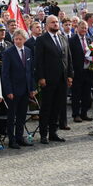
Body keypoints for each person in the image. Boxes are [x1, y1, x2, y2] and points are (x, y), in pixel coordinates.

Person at [33, 15, 73, 144]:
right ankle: (44, 134)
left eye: (57, 22)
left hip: (62, 79)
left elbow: (68, 57)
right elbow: (38, 61)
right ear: (47, 25)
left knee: (58, 106)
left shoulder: (62, 38)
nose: (56, 24)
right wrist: (41, 77)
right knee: (47, 107)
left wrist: (70, 75)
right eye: (53, 22)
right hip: (48, 79)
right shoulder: (41, 40)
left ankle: (53, 132)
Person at [1, 30, 35, 149]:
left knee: (22, 115)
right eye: (16, 39)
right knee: (12, 116)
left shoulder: (28, 51)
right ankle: (12, 139)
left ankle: (19, 137)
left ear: (24, 40)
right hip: (13, 90)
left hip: (25, 89)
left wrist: (32, 88)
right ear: (13, 39)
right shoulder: (8, 53)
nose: (18, 41)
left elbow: (30, 71)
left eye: (20, 39)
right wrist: (8, 91)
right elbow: (5, 74)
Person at [68, 20, 93, 123]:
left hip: (88, 70)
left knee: (86, 94)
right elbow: (69, 57)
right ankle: (76, 114)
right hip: (77, 71)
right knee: (76, 94)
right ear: (77, 28)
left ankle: (84, 113)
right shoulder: (71, 40)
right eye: (82, 27)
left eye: (85, 28)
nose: (84, 30)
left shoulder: (89, 39)